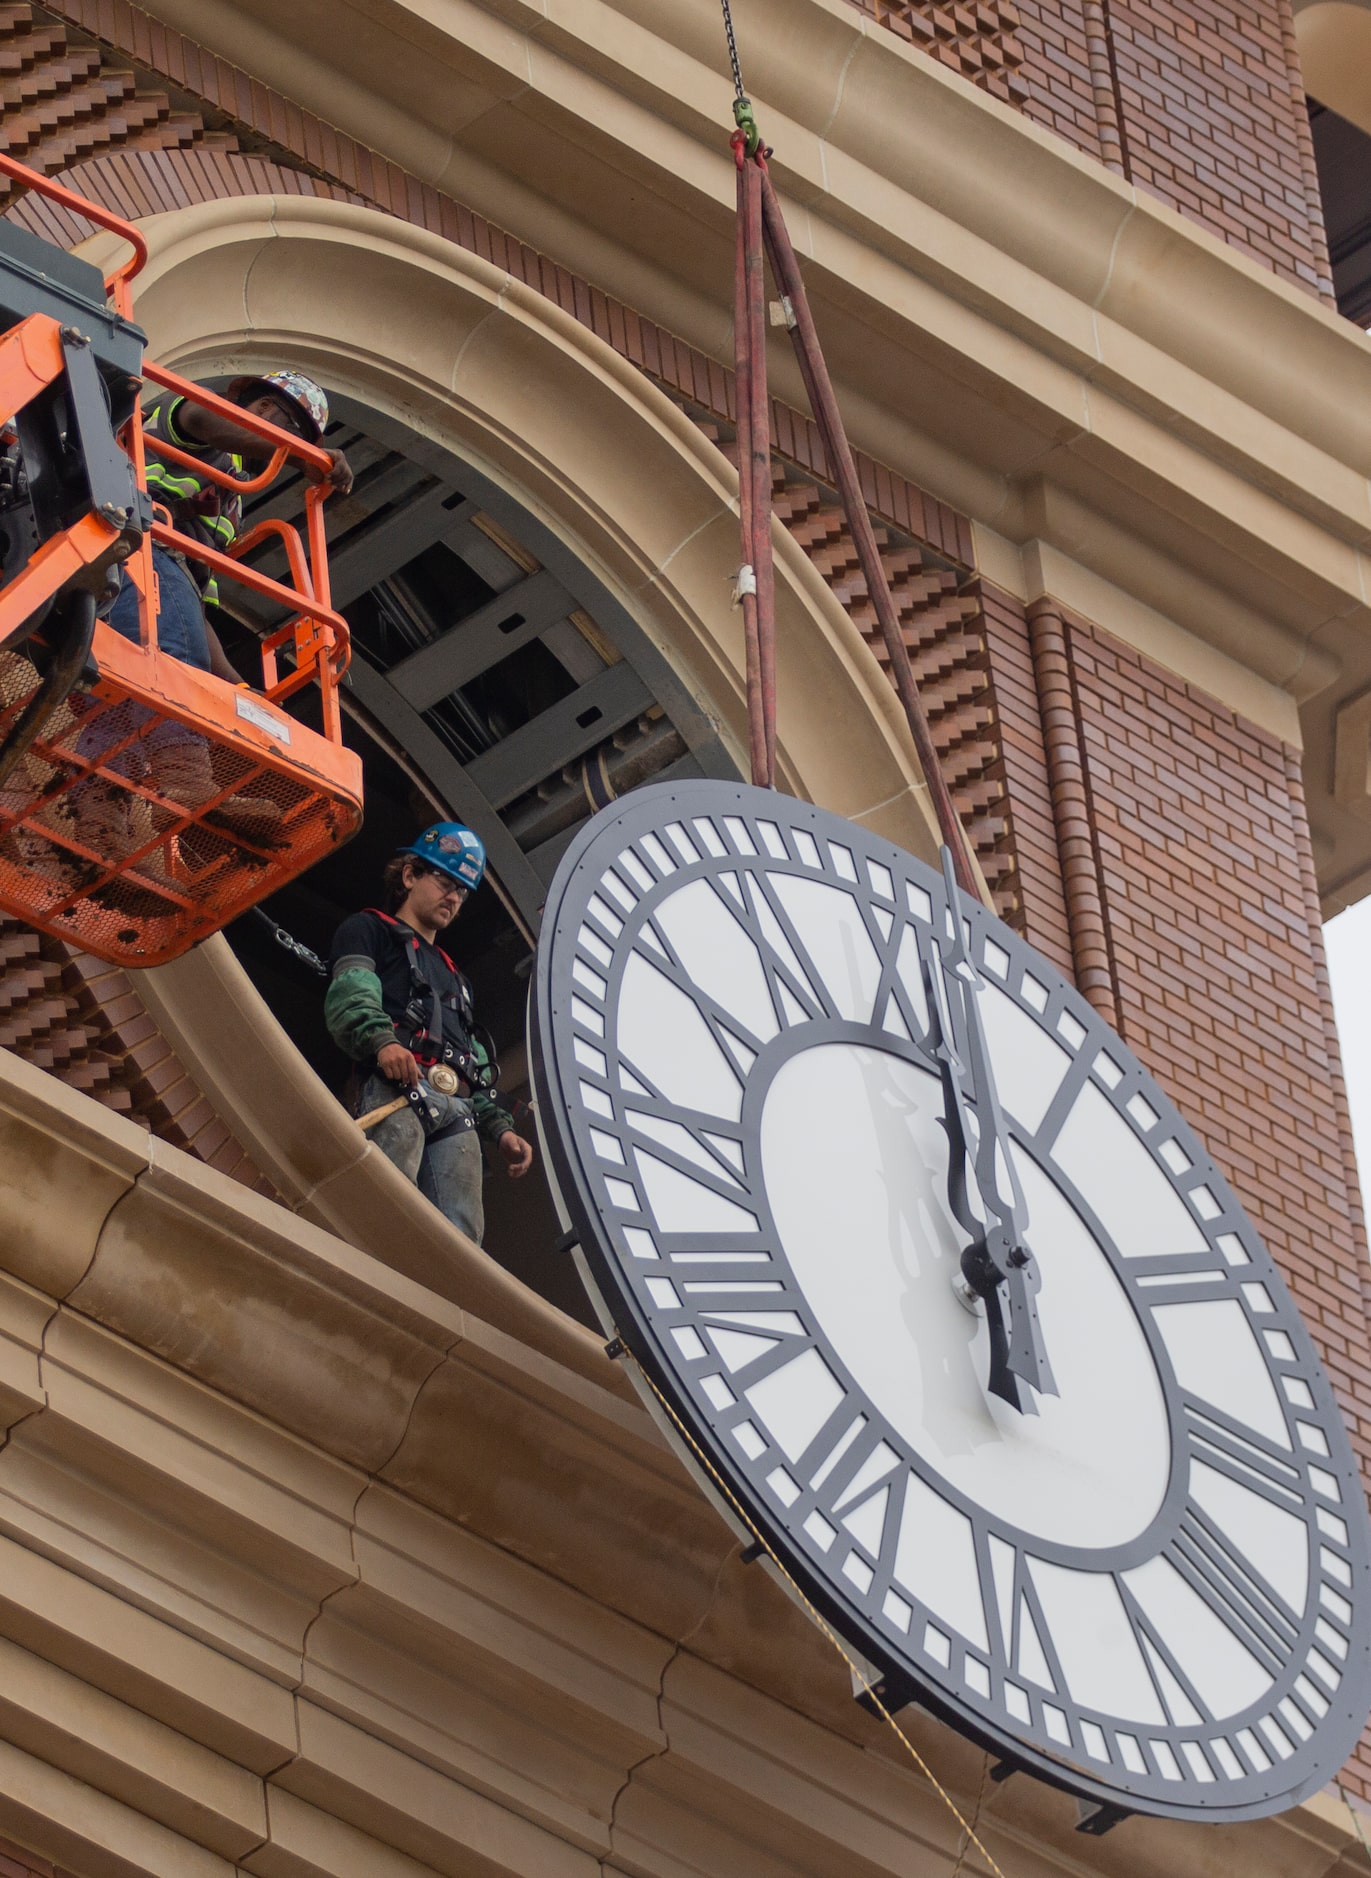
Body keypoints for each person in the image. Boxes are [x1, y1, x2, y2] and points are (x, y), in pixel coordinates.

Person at [71, 371, 354, 863]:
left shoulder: (231, 503)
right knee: (171, 662)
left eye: (287, 423)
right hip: (128, 540)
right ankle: (187, 783)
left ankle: (99, 825)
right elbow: (198, 418)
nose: (270, 422)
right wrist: (296, 451)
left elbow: (192, 607)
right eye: (269, 409)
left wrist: (235, 688)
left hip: (155, 573)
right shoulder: (192, 419)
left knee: (131, 699)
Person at [325, 822, 534, 1243]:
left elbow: (469, 1057)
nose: (453, 896)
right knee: (386, 1209)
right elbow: (352, 995)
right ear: (409, 876)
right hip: (396, 1090)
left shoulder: (458, 978)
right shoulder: (369, 930)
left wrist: (500, 1127)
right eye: (444, 880)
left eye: (462, 890)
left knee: (462, 1236)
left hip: (456, 1110)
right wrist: (382, 1040)